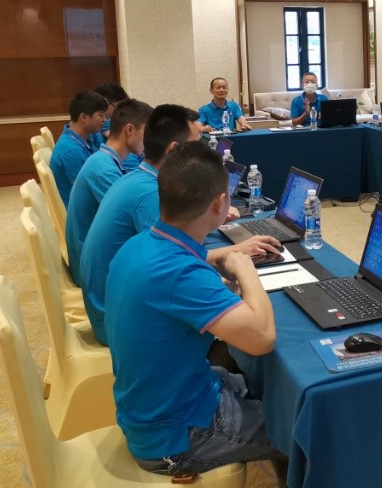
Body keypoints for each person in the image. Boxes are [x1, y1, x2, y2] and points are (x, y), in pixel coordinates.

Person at [105, 141, 286, 478]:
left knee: (276, 390)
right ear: (219, 204)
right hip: (176, 437)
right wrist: (245, 267)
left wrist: (227, 261)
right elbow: (262, 338)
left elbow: (191, 269)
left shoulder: (140, 244)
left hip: (161, 403)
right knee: (303, 428)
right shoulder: (179, 274)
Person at [80, 104, 280, 346]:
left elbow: (175, 251)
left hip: (120, 318)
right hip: (111, 321)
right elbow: (263, 338)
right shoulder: (151, 201)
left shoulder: (141, 226)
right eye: (196, 146)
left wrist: (226, 253)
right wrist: (244, 267)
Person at [65, 99, 153, 287]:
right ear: (129, 130)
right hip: (93, 272)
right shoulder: (104, 171)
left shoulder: (103, 159)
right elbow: (135, 223)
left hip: (91, 259)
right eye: (147, 133)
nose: (150, 140)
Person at [49, 91, 107, 207]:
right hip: (80, 210)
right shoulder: (72, 150)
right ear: (83, 117)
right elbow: (87, 191)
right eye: (101, 115)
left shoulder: (83, 138)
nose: (105, 119)